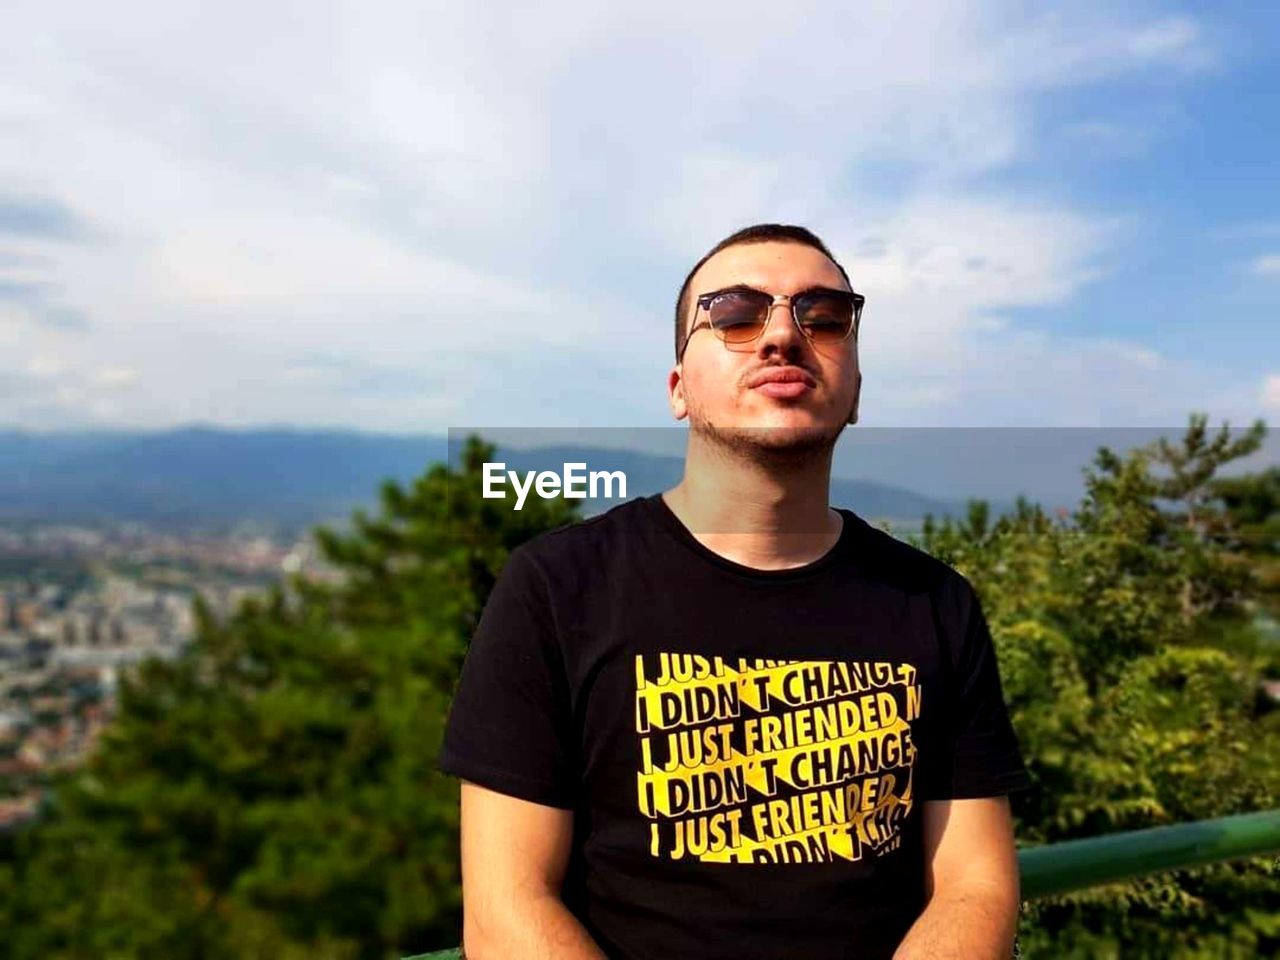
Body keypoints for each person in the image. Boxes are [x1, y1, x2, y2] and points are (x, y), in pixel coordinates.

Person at [437, 223, 1033, 959]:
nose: (783, 334)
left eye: (825, 317)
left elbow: (975, 887)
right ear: (679, 389)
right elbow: (505, 910)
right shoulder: (557, 588)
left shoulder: (936, 603)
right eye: (734, 314)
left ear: (855, 392)